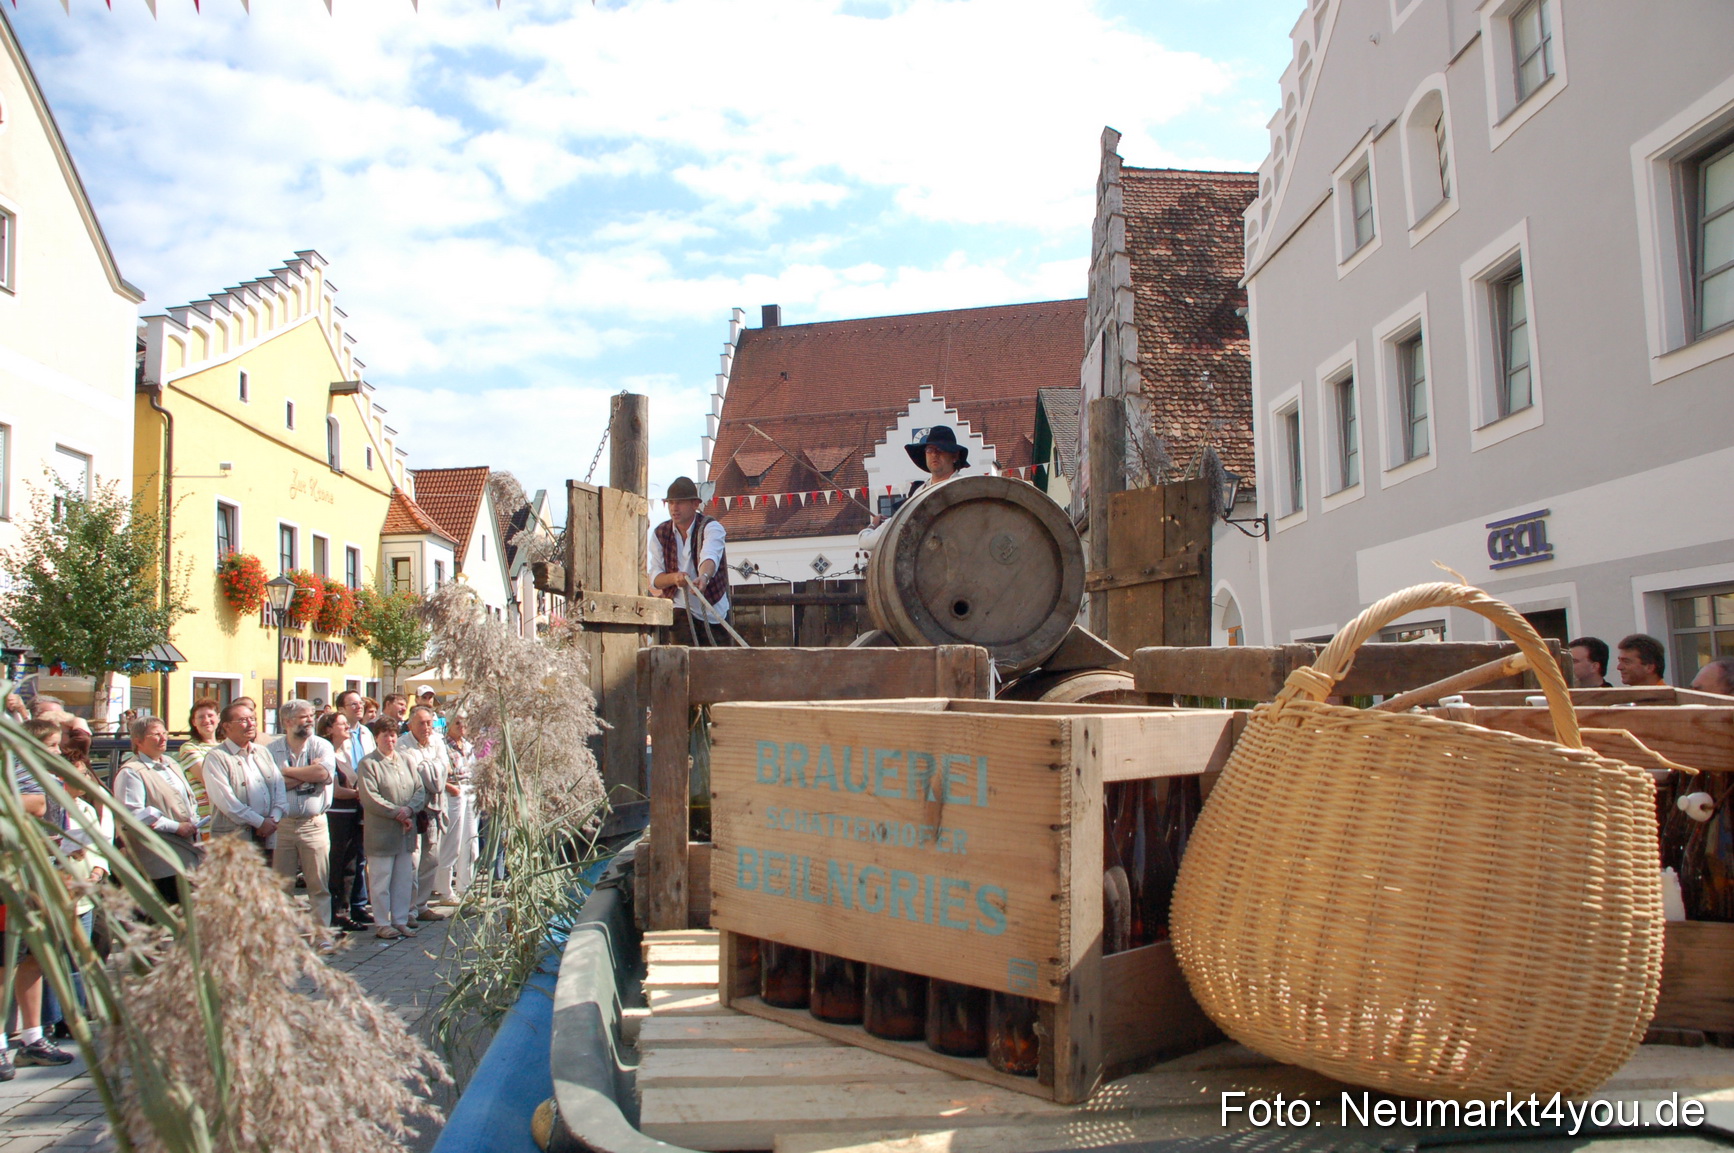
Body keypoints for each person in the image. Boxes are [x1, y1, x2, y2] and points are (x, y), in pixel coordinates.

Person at [2, 720, 74, 1074]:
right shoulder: (13, 772)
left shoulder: (47, 775)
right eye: (52, 746)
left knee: (36, 956)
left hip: (44, 875)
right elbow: (26, 805)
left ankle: (32, 1038)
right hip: (13, 879)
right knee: (5, 961)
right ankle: (1, 1044)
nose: (59, 753)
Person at [113, 716, 203, 906]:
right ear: (138, 741)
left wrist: (194, 819)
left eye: (164, 733)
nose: (163, 739)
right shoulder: (132, 772)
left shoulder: (171, 763)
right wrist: (175, 826)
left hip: (187, 849)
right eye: (155, 735)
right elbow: (133, 815)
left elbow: (189, 799)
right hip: (160, 856)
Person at [357, 719, 425, 940]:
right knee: (381, 880)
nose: (390, 739)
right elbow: (370, 797)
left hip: (405, 832)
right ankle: (382, 923)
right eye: (385, 735)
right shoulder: (369, 764)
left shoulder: (406, 760)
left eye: (393, 735)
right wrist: (397, 812)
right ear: (376, 737)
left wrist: (409, 810)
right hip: (382, 832)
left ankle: (400, 920)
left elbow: (419, 789)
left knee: (403, 879)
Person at [268, 700, 335, 926]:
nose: (310, 720)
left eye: (311, 715)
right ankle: (284, 935)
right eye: (304, 716)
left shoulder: (322, 746)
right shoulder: (271, 750)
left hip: (313, 824)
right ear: (287, 722)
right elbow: (271, 786)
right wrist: (307, 774)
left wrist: (286, 773)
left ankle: (322, 933)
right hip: (282, 826)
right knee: (282, 885)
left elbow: (323, 773)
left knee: (318, 884)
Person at [857, 425, 970, 552]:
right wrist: (873, 526)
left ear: (954, 456)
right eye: (930, 450)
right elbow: (867, 541)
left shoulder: (965, 489)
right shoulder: (918, 493)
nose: (934, 454)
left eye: (940, 450)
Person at [650, 475, 732, 645]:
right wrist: (674, 578)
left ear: (695, 504)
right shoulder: (660, 533)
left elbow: (710, 556)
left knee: (718, 664)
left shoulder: (711, 527)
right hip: (680, 608)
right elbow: (656, 579)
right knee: (686, 660)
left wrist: (704, 577)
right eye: (671, 503)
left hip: (713, 610)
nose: (674, 508)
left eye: (680, 502)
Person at [200, 698, 286, 855]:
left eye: (252, 719)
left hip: (266, 836)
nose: (251, 724)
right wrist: (260, 822)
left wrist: (273, 820)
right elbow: (227, 802)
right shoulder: (217, 757)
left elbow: (278, 786)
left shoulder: (262, 752)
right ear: (226, 726)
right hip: (234, 840)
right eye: (243, 720)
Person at [400, 705, 453, 923]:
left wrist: (428, 769)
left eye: (429, 723)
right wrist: (431, 769)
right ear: (411, 724)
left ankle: (421, 905)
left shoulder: (437, 742)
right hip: (413, 807)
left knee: (431, 858)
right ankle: (408, 908)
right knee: (412, 859)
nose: (426, 727)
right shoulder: (403, 745)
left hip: (434, 807)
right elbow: (411, 774)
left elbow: (445, 770)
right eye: (421, 723)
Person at [320, 711, 368, 930]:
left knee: (351, 865)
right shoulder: (326, 754)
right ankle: (333, 912)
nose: (347, 727)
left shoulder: (345, 753)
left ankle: (345, 909)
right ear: (329, 729)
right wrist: (360, 794)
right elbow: (335, 791)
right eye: (341, 724)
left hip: (352, 817)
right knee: (336, 866)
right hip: (337, 818)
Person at [433, 714, 477, 904]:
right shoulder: (442, 746)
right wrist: (452, 788)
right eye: (456, 723)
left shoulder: (467, 745)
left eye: (463, 723)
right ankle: (444, 889)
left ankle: (465, 885)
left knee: (470, 839)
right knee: (452, 840)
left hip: (470, 790)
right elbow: (442, 773)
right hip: (453, 792)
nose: (461, 726)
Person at [176, 698, 223, 830]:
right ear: (193, 722)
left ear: (218, 718)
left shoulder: (226, 746)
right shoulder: (189, 748)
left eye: (210, 715)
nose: (206, 720)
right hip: (208, 818)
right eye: (201, 717)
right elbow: (208, 778)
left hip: (232, 817)